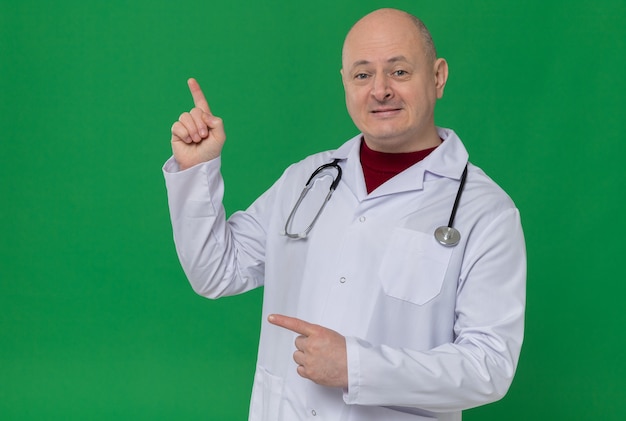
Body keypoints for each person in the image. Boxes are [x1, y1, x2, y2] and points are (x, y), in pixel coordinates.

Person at [163, 8, 526, 421]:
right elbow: (216, 272)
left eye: (400, 72)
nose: (380, 90)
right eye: (362, 75)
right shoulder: (307, 179)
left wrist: (357, 367)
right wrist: (197, 170)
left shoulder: (486, 211)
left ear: (438, 76)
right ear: (345, 83)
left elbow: (489, 367)